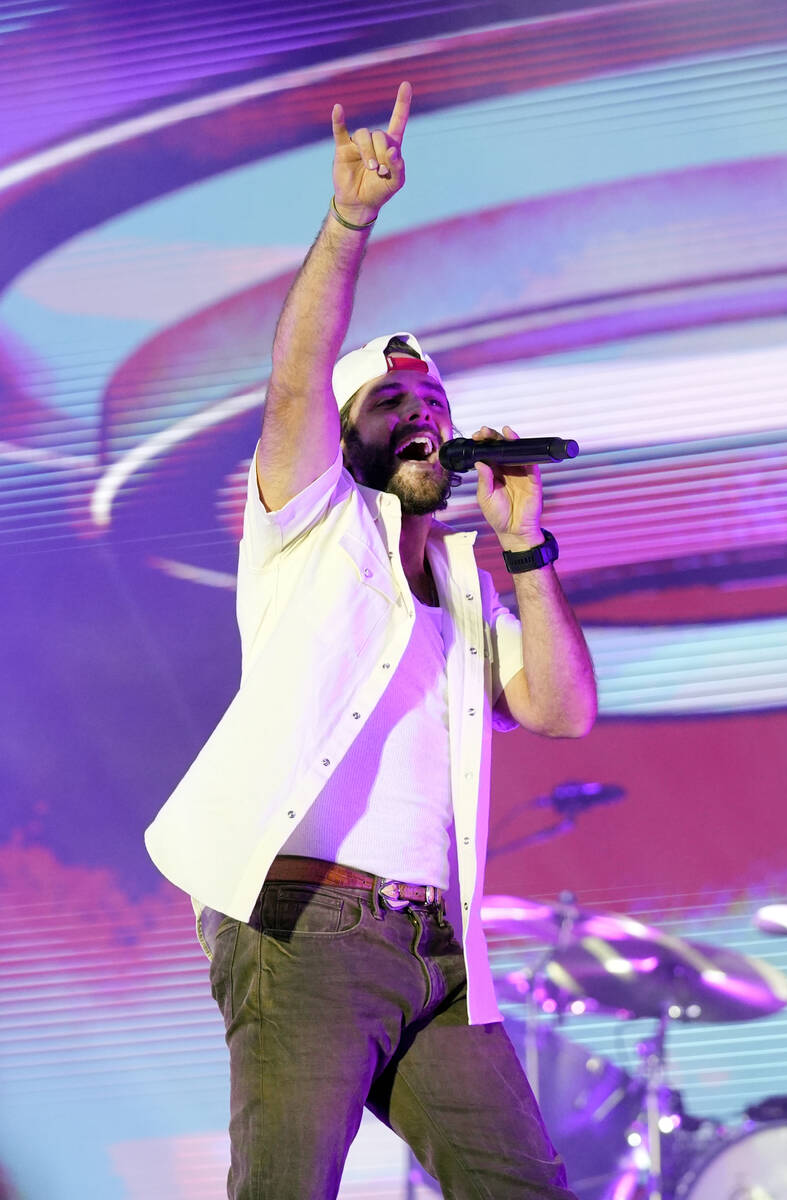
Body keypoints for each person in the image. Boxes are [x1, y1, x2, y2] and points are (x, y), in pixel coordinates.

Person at [145, 81, 596, 1199]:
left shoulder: (455, 584)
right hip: (307, 927)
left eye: (434, 402)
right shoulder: (306, 523)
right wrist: (349, 222)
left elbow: (560, 711)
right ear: (342, 436)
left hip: (438, 954)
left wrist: (523, 551)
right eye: (393, 403)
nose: (424, 416)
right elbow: (297, 374)